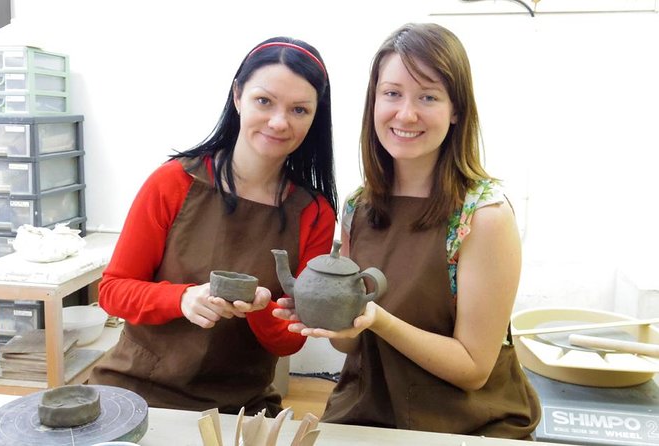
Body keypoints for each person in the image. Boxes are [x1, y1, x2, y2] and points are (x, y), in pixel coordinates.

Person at [274, 23, 541, 439]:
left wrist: (378, 320)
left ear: (456, 110)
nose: (406, 113)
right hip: (368, 412)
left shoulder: (483, 215)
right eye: (392, 93)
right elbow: (349, 345)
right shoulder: (357, 207)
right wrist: (332, 322)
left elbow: (473, 369)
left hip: (465, 424)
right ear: (374, 101)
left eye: (428, 97)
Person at [89, 36, 337, 416]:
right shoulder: (172, 182)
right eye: (264, 101)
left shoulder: (315, 212)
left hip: (239, 406)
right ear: (237, 96)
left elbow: (290, 342)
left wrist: (261, 308)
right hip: (138, 388)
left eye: (299, 110)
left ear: (315, 116)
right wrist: (182, 299)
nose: (278, 122)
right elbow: (113, 290)